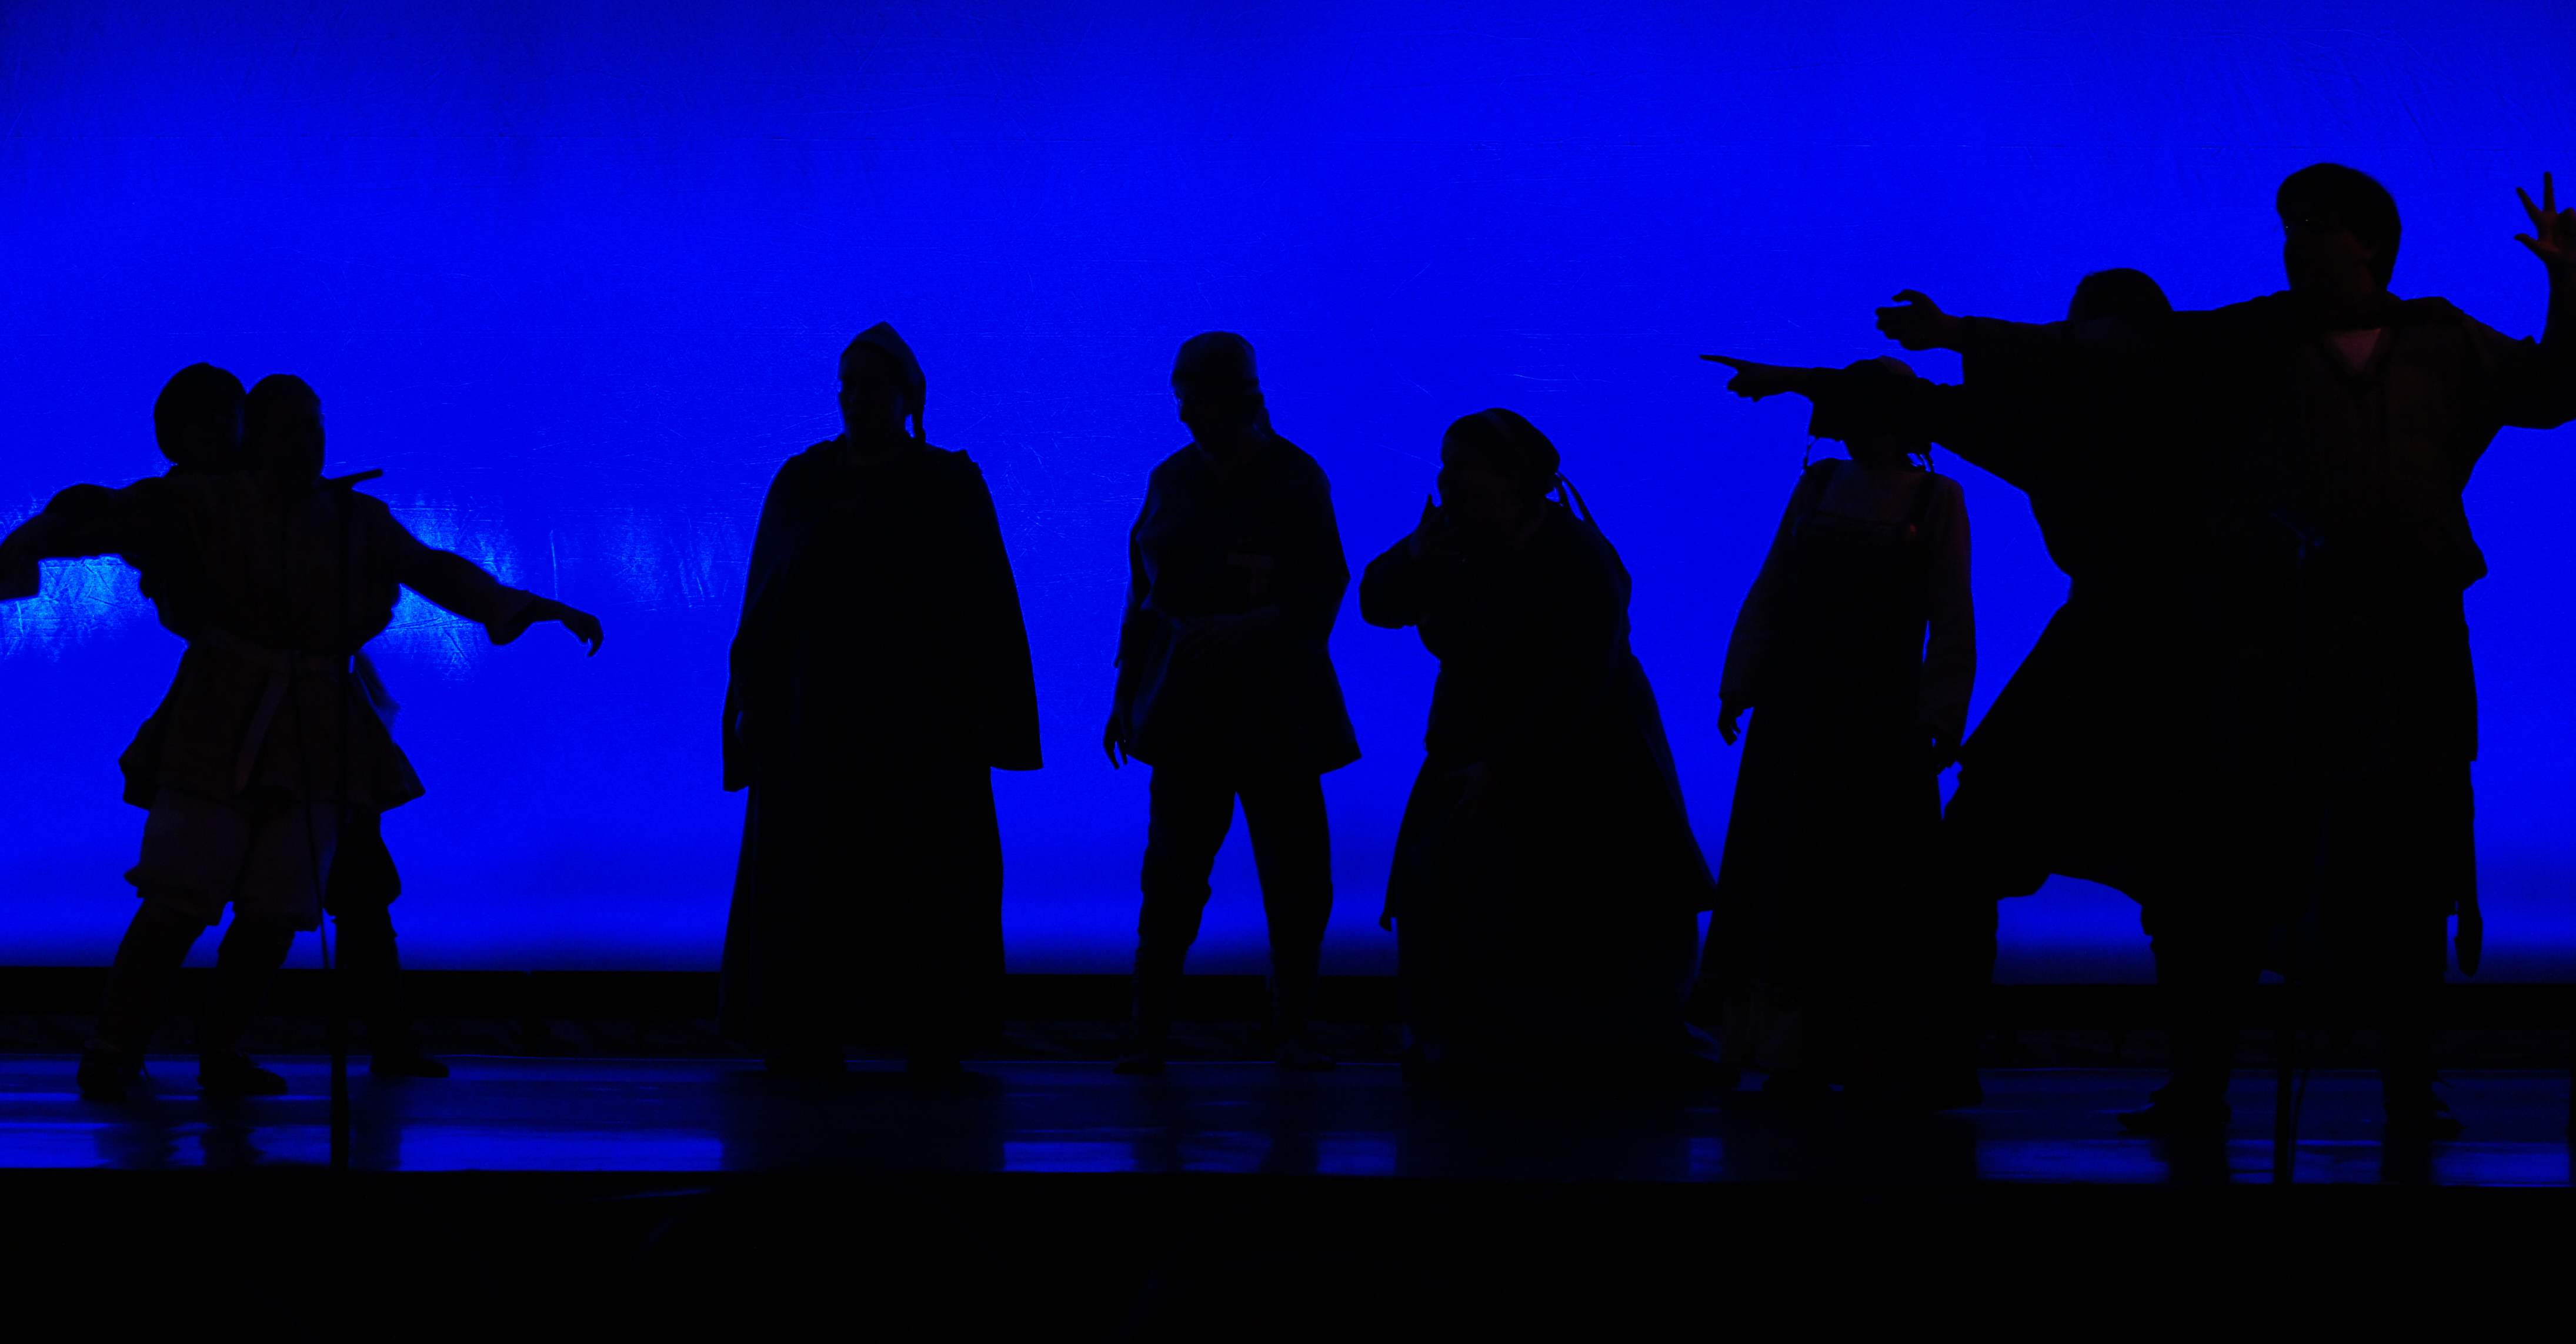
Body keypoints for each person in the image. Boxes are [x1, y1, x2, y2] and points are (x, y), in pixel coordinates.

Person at [1876, 166, 2576, 1135]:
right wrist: (1960, 335)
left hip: (2403, 645)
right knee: (2233, 876)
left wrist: (2567, 282)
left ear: (2368, 242)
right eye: (2288, 228)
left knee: (2405, 873)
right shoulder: (2251, 343)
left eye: (2313, 227)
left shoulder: (2438, 342)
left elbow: (2554, 387)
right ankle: (2201, 1084)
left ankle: (2407, 1087)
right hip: (2271, 643)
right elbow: (2112, 350)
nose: (2293, 245)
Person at [0, 373, 603, 1099]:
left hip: (319, 726)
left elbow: (426, 567)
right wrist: (32, 542)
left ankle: (222, 1049)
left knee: (278, 905)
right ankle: (112, 1047)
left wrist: (517, 604)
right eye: (285, 428)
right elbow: (101, 517)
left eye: (313, 426)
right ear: (255, 437)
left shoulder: (353, 517)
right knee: (180, 894)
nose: (305, 442)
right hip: (218, 719)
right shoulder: (199, 502)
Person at [1703, 269, 2187, 1105]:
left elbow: (1928, 428)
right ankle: (1926, 1053)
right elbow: (1914, 415)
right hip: (2140, 641)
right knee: (1988, 859)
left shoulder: (2043, 441)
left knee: (1980, 856)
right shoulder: (2085, 430)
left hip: (2113, 644)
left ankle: (1927, 1051)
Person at [1360, 409, 1719, 1083]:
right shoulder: (1450, 542)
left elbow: (1583, 674)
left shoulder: (1577, 555)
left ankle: (1589, 1045)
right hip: (1474, 743)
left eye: (1463, 465)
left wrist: (1504, 768)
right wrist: (1413, 555)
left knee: (1586, 898)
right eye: (1445, 464)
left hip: (1585, 752)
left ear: (1511, 478)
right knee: (1449, 887)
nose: (1446, 479)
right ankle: (1470, 1042)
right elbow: (1377, 604)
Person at [720, 323, 1041, 1075]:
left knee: (924, 874)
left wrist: (988, 704)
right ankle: (808, 1029)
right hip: (814, 719)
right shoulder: (805, 481)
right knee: (815, 874)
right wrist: (752, 701)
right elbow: (765, 602)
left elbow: (987, 603)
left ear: (907, 395)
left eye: (872, 385)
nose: (857, 399)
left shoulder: (948, 484)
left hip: (922, 723)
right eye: (848, 385)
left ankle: (932, 1029)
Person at [1697, 361, 1975, 1105]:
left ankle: (1862, 1054)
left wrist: (1939, 714)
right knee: (1795, 868)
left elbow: (1951, 613)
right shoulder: (1820, 485)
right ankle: (1798, 1052)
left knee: (1861, 875)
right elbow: (1774, 584)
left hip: (1880, 717)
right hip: (1798, 709)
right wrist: (1742, 679)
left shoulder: (1938, 499)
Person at [1104, 332, 1358, 1073]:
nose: (1186, 413)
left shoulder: (1297, 479)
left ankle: (1290, 1028)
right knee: (1172, 875)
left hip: (1276, 709)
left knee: (1296, 878)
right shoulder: (1172, 479)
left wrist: (1253, 627)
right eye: (1182, 397)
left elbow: (1323, 585)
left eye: (1198, 397)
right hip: (1189, 710)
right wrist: (1125, 695)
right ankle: (1151, 1030)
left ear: (1238, 398)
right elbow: (1142, 599)